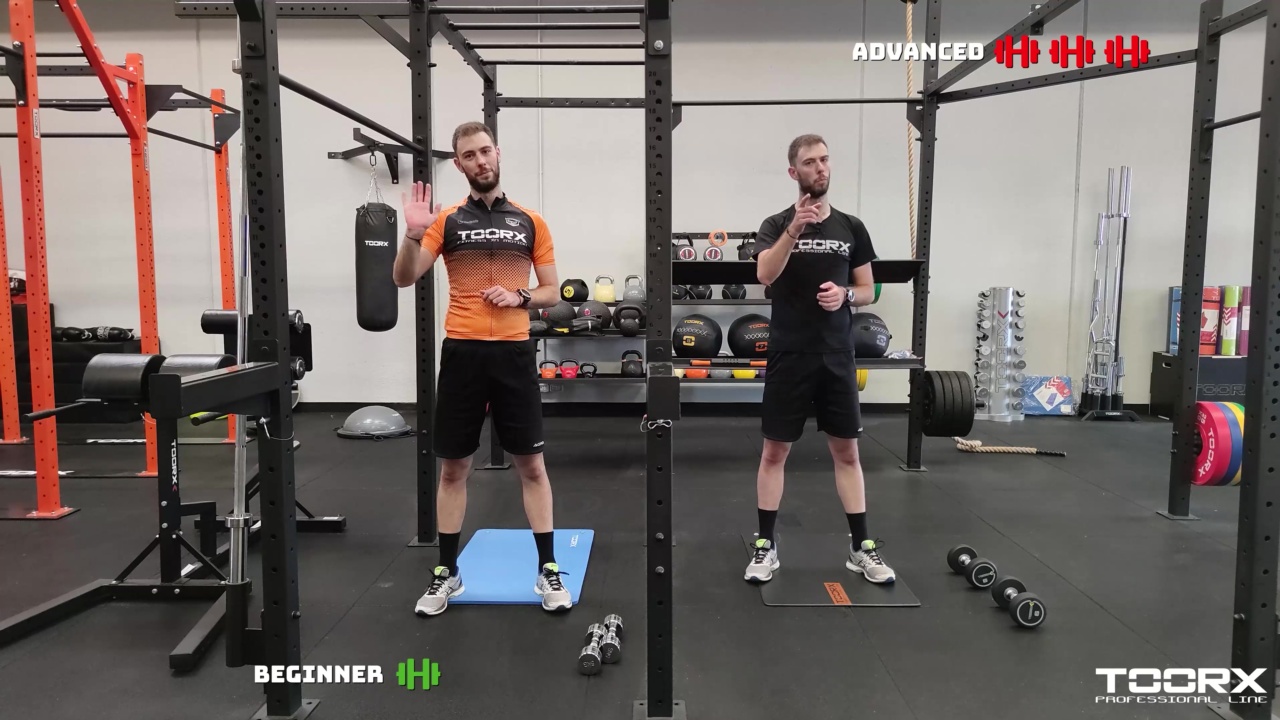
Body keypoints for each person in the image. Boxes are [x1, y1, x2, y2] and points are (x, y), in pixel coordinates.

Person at [392, 121, 571, 616]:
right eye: (469, 155)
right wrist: (411, 234)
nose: (480, 161)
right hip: (463, 353)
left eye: (485, 151)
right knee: (454, 468)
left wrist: (519, 296)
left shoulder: (531, 221)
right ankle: (447, 573)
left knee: (531, 466)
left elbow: (552, 292)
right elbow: (404, 278)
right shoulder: (446, 220)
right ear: (459, 164)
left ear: (498, 153)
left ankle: (548, 568)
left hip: (513, 353)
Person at [745, 133, 895, 585]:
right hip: (789, 352)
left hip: (836, 354)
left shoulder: (851, 226)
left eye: (825, 159)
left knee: (847, 452)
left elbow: (868, 290)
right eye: (810, 162)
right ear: (794, 172)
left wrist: (845, 295)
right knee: (774, 451)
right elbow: (765, 274)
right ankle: (765, 545)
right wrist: (795, 228)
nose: (821, 168)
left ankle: (861, 547)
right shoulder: (775, 224)